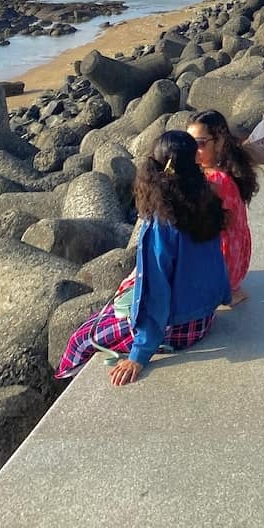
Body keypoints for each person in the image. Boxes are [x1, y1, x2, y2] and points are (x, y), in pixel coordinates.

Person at [55, 131, 230, 386]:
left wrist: (139, 355)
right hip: (205, 318)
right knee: (124, 294)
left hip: (180, 330)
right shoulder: (208, 201)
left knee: (80, 340)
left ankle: (65, 383)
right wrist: (226, 294)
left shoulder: (162, 222)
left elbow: (155, 291)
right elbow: (216, 259)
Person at [187, 110, 257, 302]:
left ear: (219, 142)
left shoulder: (216, 181)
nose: (193, 150)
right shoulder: (230, 170)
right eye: (189, 144)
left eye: (200, 144)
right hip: (236, 264)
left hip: (223, 270)